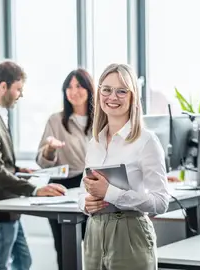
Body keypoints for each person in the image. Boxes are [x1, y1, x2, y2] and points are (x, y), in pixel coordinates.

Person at [0, 60, 66, 270]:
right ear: (3, 87)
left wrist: (20, 170)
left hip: (8, 207)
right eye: (18, 89)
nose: (21, 95)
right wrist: (36, 190)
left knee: (23, 261)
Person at [78, 63, 170, 270]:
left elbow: (161, 202)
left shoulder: (146, 141)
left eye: (121, 91)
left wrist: (110, 192)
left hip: (130, 233)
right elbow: (82, 191)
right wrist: (85, 203)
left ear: (132, 97)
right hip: (93, 232)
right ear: (99, 93)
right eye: (107, 90)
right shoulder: (94, 142)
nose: (112, 97)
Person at [36, 68, 95, 270]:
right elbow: (42, 163)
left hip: (92, 188)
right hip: (62, 188)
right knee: (65, 250)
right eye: (69, 87)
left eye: (78, 85)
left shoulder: (101, 120)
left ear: (89, 89)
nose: (73, 91)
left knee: (95, 249)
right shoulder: (56, 120)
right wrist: (50, 149)